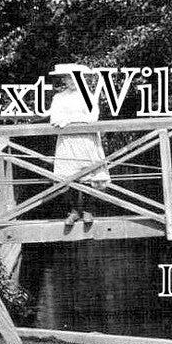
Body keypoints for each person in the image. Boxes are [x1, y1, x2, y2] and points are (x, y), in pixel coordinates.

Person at [49, 64, 111, 225]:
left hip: (86, 140)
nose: (71, 81)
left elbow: (92, 117)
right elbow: (55, 119)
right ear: (63, 79)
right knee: (70, 175)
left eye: (74, 77)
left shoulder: (88, 96)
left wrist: (69, 120)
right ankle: (74, 211)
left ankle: (89, 210)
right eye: (68, 77)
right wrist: (72, 119)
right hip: (68, 141)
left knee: (90, 174)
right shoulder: (59, 97)